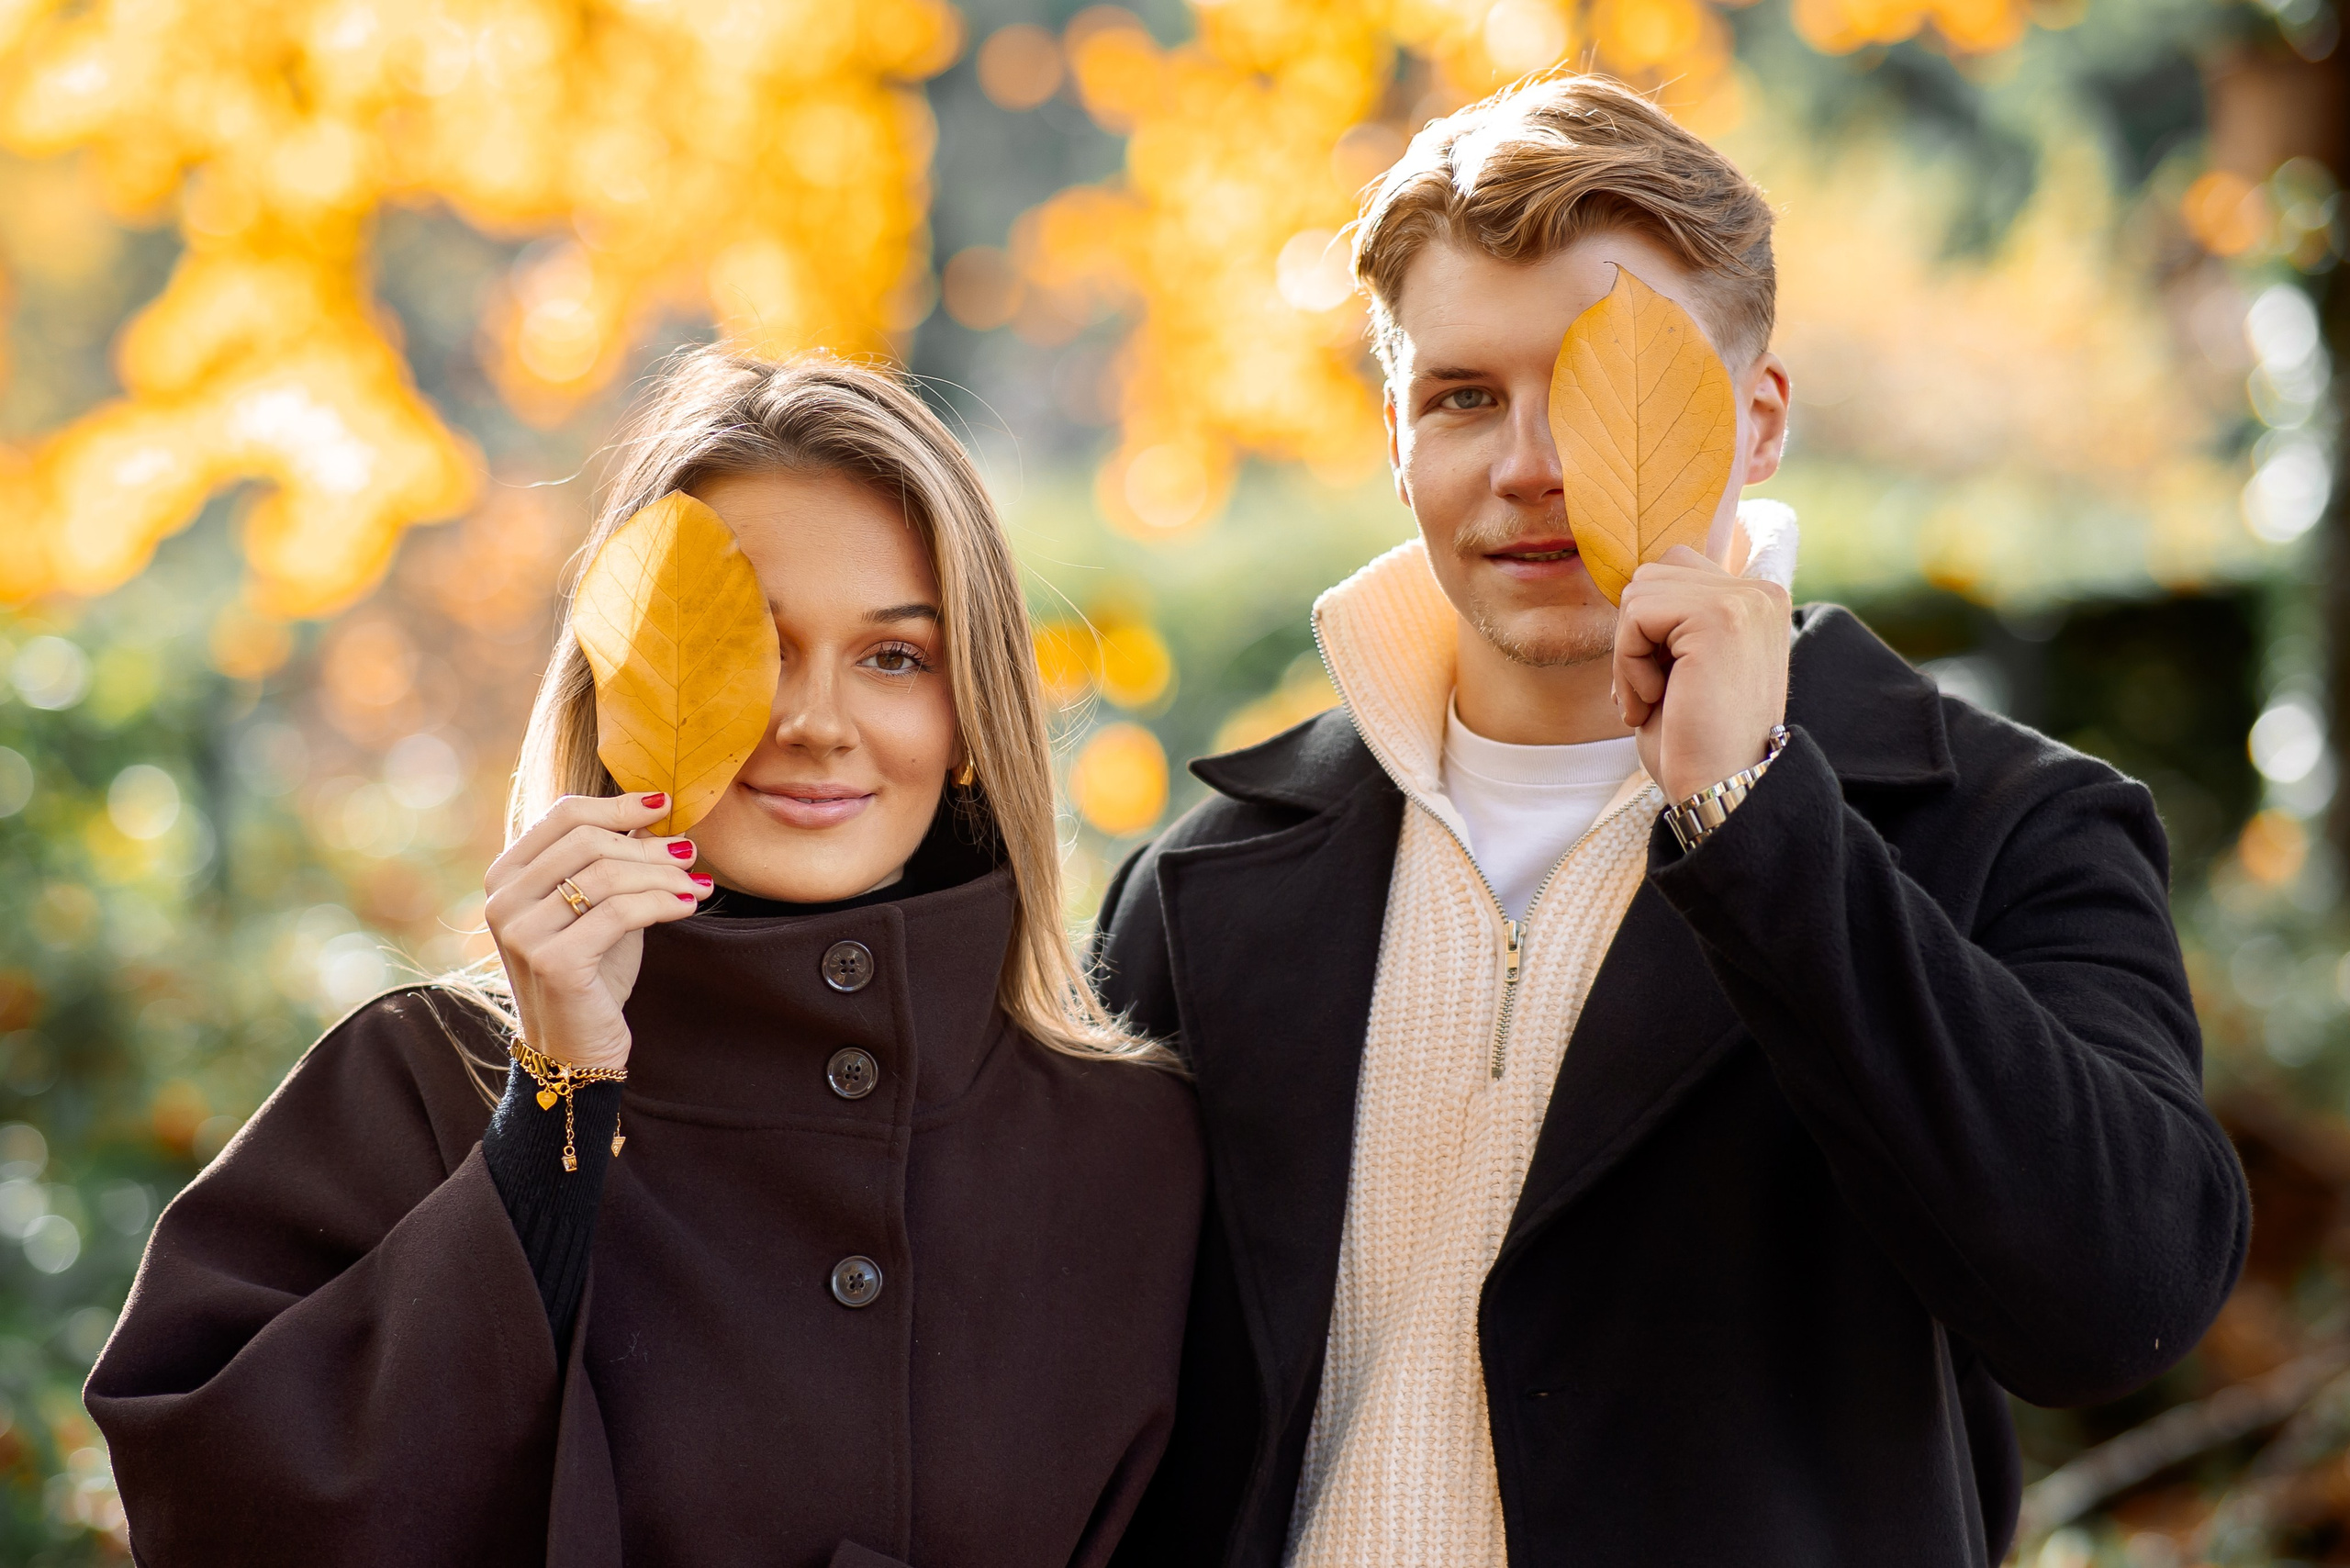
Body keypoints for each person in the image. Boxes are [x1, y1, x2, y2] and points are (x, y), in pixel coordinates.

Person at [1095, 75, 2249, 1568]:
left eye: (1602, 384)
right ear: (1396, 439)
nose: (1532, 465)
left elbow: (2119, 1304)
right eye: (1462, 397)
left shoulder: (2008, 828)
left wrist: (1753, 813)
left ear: (1758, 421)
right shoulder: (1207, 886)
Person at [87, 351, 1204, 1568]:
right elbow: (218, 1519)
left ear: (970, 715)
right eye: (752, 649)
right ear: (625, 695)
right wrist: (552, 1111)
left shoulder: (1126, 1149)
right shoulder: (417, 1083)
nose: (816, 720)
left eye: (895, 658)